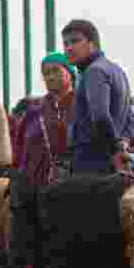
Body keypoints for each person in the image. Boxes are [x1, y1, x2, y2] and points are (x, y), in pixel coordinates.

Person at [62, 19, 131, 175]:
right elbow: (131, 118)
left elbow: (100, 115)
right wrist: (121, 145)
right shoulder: (116, 70)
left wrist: (116, 149)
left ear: (93, 43)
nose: (69, 48)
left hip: (93, 163)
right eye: (65, 44)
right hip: (109, 162)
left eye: (75, 41)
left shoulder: (94, 71)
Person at [16, 52, 77, 187]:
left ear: (70, 73)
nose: (50, 77)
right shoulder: (35, 111)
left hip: (72, 184)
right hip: (36, 185)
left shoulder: (82, 105)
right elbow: (20, 147)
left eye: (56, 70)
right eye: (46, 73)